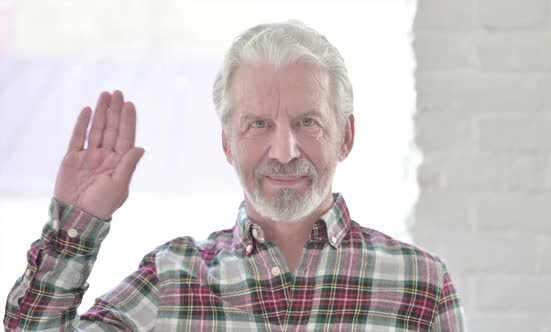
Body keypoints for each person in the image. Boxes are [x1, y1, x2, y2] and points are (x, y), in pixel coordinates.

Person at [4, 21, 465, 331]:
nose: (284, 152)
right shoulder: (172, 280)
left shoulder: (419, 284)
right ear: (227, 143)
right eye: (258, 124)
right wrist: (76, 226)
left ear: (345, 135)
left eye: (307, 122)